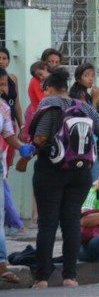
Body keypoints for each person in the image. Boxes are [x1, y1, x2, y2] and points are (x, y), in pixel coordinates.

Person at [16, 68, 99, 288]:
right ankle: (70, 277)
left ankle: (42, 278)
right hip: (80, 174)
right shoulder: (84, 106)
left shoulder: (48, 104)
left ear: (49, 88)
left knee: (47, 224)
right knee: (71, 223)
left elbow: (39, 137)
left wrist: (25, 159)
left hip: (50, 171)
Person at [0, 69, 33, 284]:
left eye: (4, 84)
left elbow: (8, 135)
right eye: (0, 83)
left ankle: (2, 265)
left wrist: (22, 148)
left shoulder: (3, 108)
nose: (3, 88)